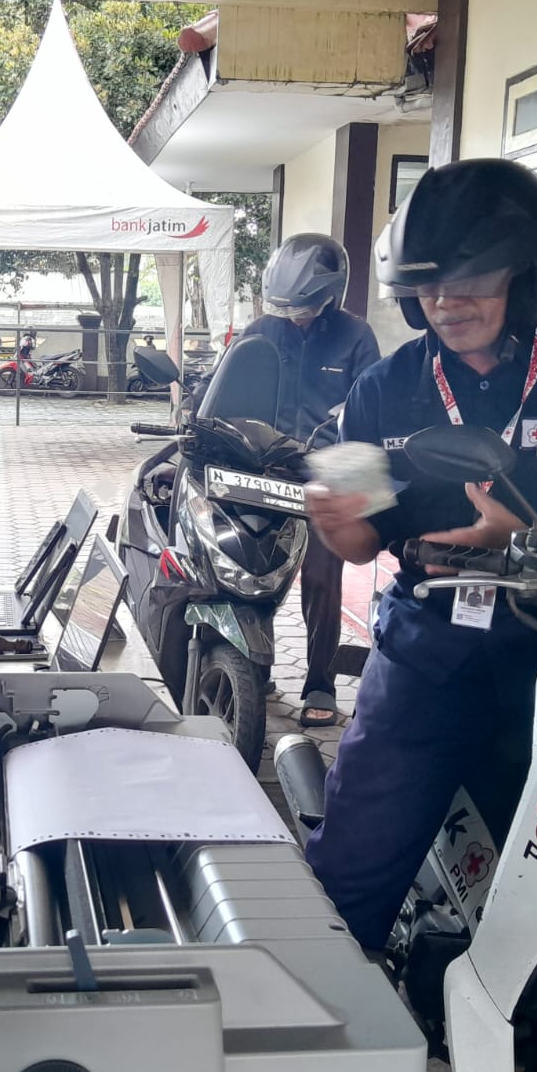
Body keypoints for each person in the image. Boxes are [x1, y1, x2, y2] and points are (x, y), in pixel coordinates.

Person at [302, 158, 537, 950]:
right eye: (429, 286)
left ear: (523, 275)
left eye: (471, 279)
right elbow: (364, 536)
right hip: (427, 650)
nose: (447, 303)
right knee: (350, 871)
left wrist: (525, 544)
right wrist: (337, 526)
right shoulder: (380, 388)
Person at [231, 233, 382, 728]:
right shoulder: (260, 331)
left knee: (321, 578)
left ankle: (320, 681)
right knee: (253, 572)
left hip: (324, 474)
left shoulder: (357, 337)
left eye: (305, 307)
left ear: (331, 294)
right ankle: (256, 664)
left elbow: (371, 409)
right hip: (262, 472)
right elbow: (225, 393)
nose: (294, 315)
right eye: (287, 306)